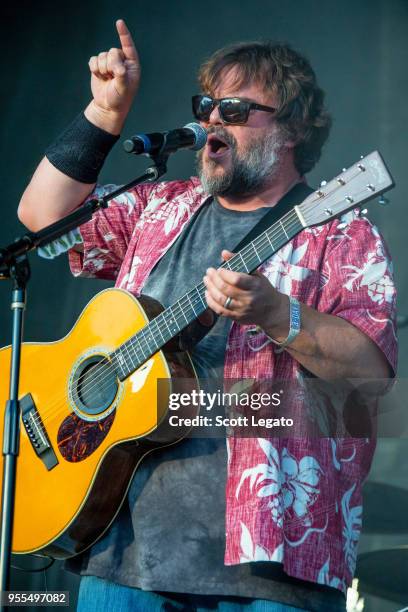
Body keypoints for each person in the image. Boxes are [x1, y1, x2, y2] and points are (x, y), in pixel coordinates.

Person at [18, 19, 397, 612]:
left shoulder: (341, 232)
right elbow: (41, 215)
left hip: (271, 565)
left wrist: (279, 315)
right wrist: (103, 114)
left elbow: (373, 374)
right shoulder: (157, 209)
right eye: (207, 105)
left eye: (236, 108)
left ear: (294, 126)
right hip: (123, 551)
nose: (213, 120)